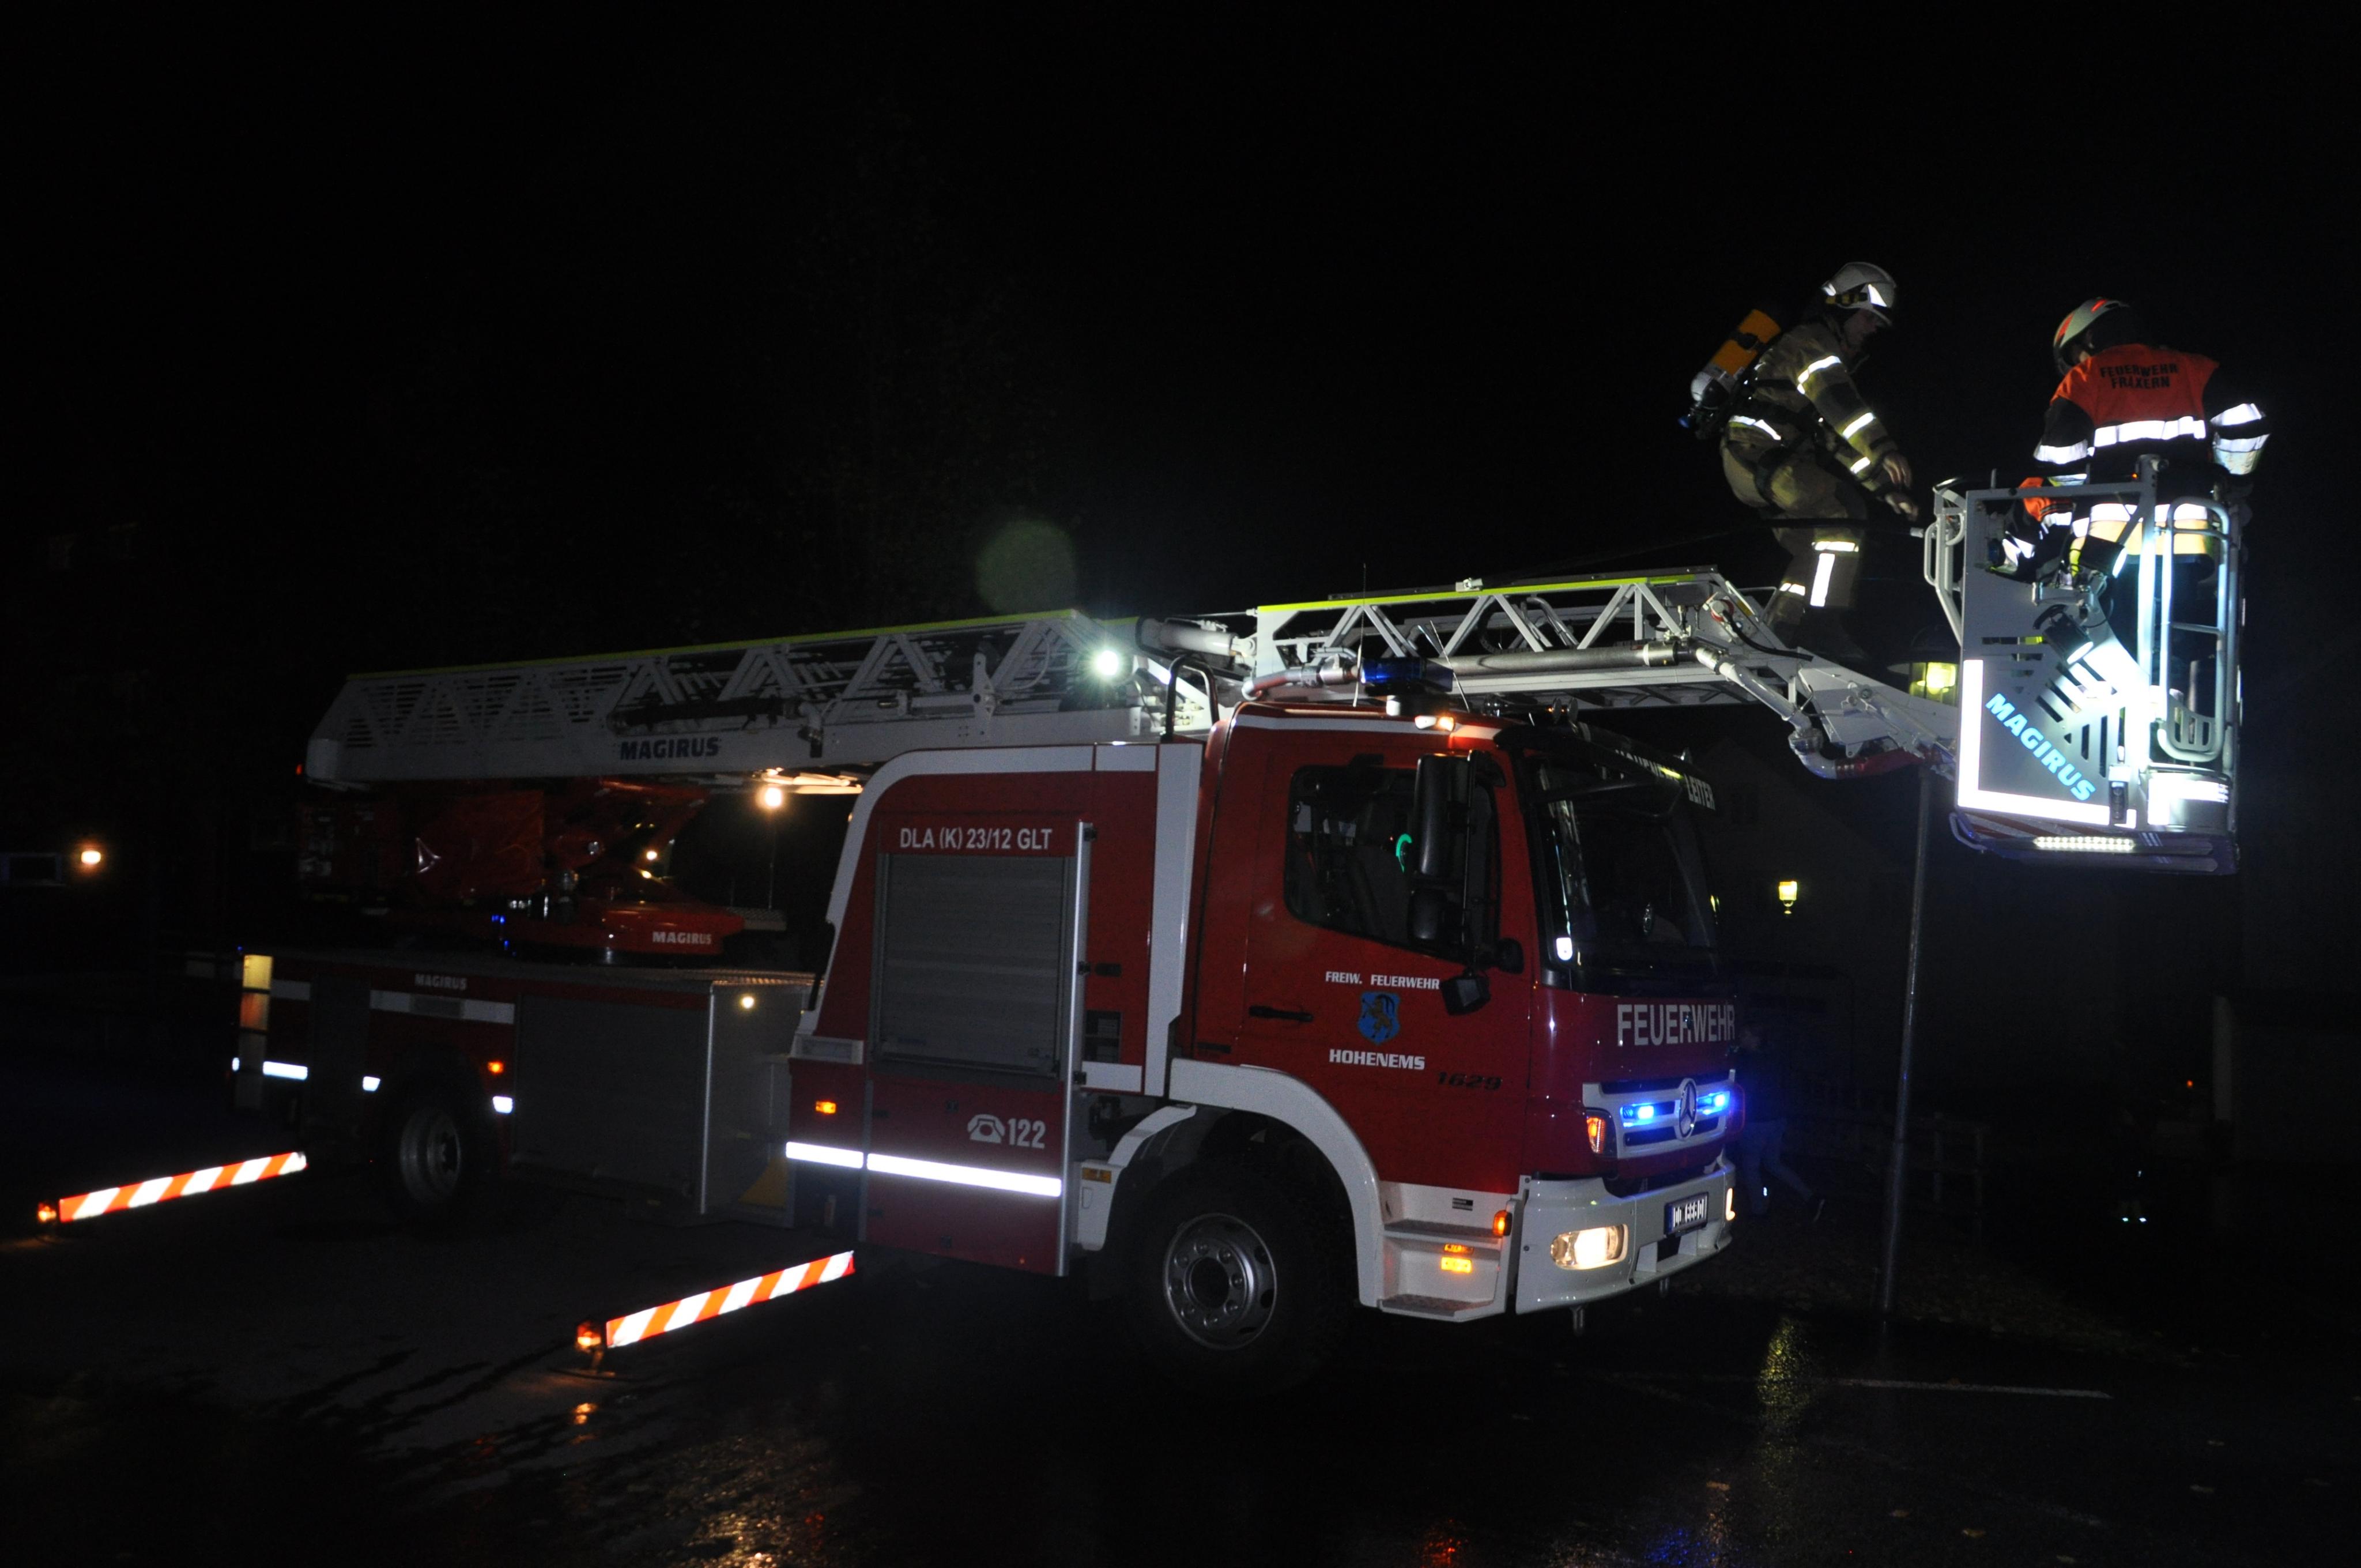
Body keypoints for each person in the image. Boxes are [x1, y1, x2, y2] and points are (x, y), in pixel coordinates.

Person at [1713, 262, 1921, 652]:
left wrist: (1885, 490)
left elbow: (1834, 441)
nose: (1872, 330)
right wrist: (1884, 448)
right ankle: (1823, 624)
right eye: (1868, 318)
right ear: (1843, 306)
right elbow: (1841, 406)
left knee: (1819, 546)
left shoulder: (1814, 352)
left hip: (1758, 460)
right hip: (1757, 453)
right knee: (1842, 512)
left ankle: (1781, 629)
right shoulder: (1811, 344)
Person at [1734, 1025, 1821, 1220]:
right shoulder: (1773, 1058)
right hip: (1776, 1118)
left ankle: (1759, 1209)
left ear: (1755, 1037)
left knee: (1751, 1167)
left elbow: (1747, 1090)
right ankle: (1809, 1195)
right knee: (1773, 1163)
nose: (1741, 1038)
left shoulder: (1751, 1061)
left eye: (1745, 1034)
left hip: (1758, 1121)